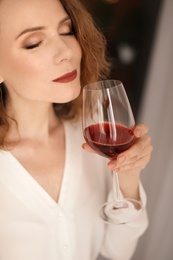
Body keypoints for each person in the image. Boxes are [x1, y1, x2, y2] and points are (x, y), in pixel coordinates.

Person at [0, 0, 153, 259]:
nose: (66, 52)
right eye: (34, 42)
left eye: (66, 31)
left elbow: (117, 252)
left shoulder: (93, 141)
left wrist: (128, 178)